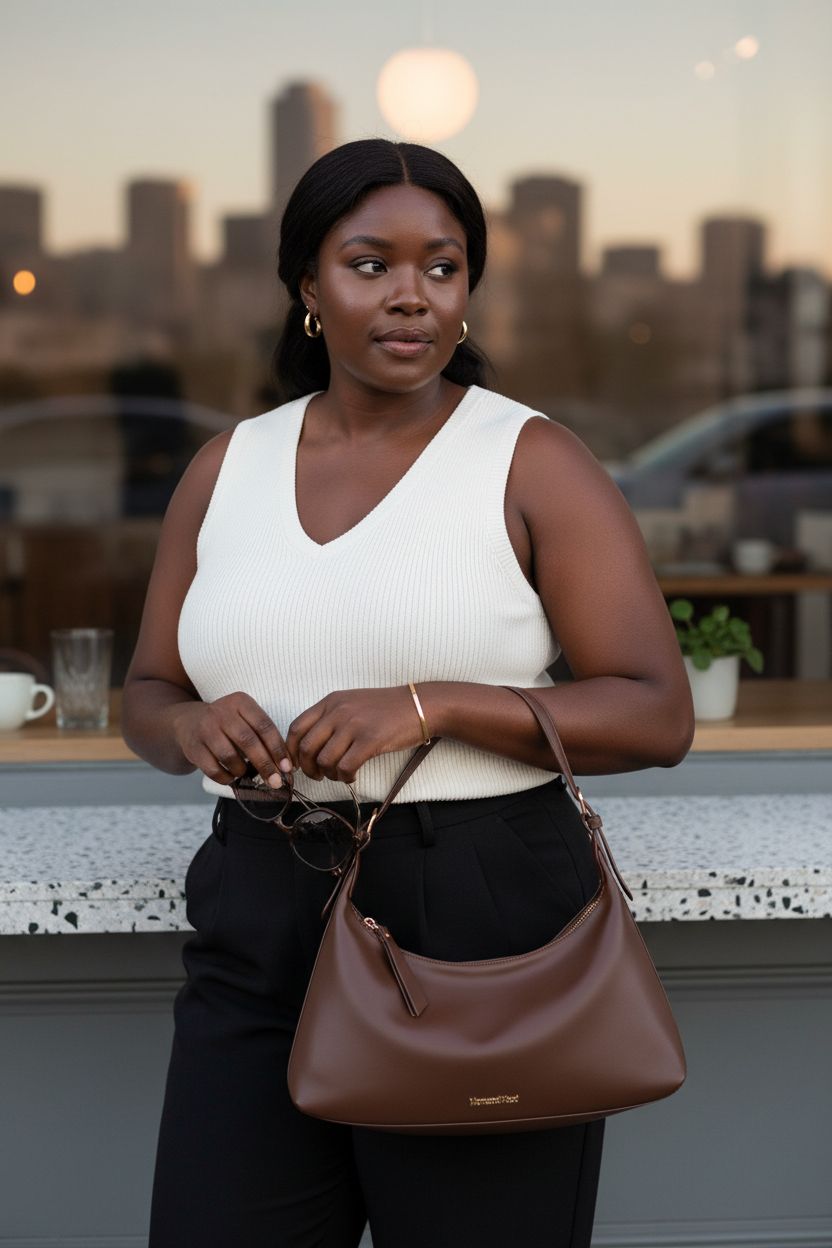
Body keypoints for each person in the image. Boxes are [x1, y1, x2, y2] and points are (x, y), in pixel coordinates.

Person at [122, 137, 694, 1248]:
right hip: (258, 909)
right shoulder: (223, 468)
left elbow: (653, 711)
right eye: (368, 263)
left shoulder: (530, 460)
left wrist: (433, 705)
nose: (410, 297)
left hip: (477, 923)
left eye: (441, 266)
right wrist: (190, 723)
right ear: (306, 286)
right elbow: (146, 690)